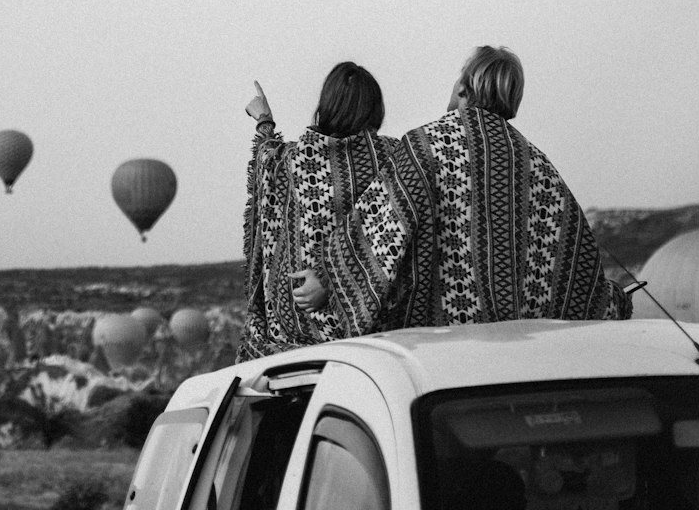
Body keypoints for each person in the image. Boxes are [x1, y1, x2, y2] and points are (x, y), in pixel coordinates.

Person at [297, 45, 631, 331]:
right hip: (516, 353)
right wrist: (616, 301)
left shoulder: (425, 148)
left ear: (463, 87)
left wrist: (326, 281)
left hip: (440, 350)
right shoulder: (537, 164)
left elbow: (380, 230)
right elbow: (574, 264)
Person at [237, 62, 404, 362]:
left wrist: (264, 118)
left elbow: (266, 153)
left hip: (296, 341)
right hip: (376, 334)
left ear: (327, 105)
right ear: (375, 108)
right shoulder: (394, 159)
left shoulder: (292, 160)